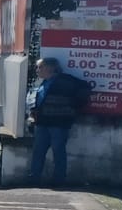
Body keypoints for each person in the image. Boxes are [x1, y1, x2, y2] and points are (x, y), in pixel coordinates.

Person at [28, 56, 89, 187]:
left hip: (59, 124)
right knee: (38, 151)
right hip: (42, 122)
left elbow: (85, 89)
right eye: (37, 67)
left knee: (58, 151)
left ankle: (58, 180)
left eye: (41, 67)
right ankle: (33, 179)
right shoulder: (40, 83)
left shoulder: (66, 81)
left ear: (50, 68)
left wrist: (72, 109)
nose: (38, 70)